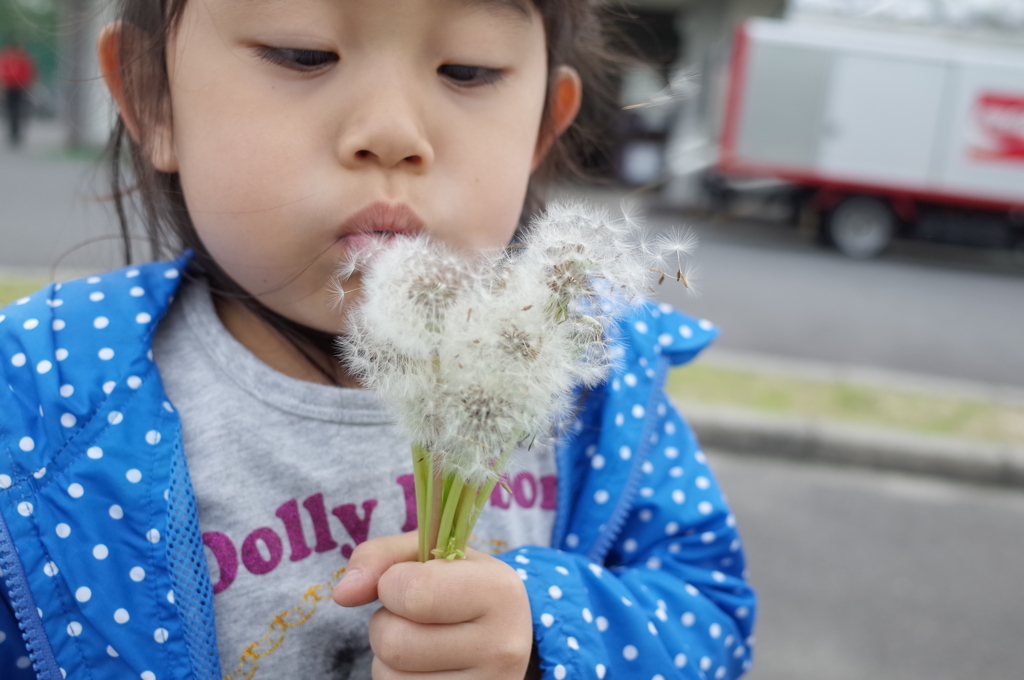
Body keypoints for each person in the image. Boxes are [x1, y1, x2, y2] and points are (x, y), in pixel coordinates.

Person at [0, 1, 756, 679]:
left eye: (469, 69)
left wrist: (548, 633)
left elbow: (709, 615)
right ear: (151, 96)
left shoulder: (592, 376)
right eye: (302, 54)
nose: (394, 133)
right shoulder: (40, 407)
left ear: (542, 128)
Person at [0, 41, 35, 147]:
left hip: (20, 88)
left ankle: (17, 133)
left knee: (18, 111)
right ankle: (13, 133)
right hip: (10, 88)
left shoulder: (23, 58)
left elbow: (29, 73)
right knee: (12, 111)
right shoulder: (8, 57)